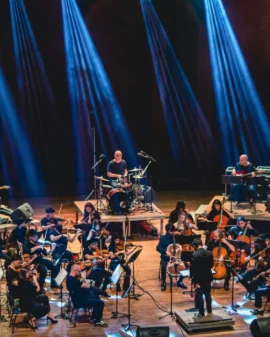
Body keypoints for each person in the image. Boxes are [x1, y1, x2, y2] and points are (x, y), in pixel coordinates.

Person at [156, 224, 187, 291]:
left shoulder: (176, 237)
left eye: (172, 231)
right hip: (166, 258)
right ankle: (163, 282)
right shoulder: (163, 238)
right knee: (163, 265)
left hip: (177, 257)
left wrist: (180, 235)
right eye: (170, 231)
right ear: (167, 231)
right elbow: (158, 248)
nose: (171, 233)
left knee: (186, 265)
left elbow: (182, 244)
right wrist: (165, 252)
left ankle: (180, 281)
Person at [190, 238, 214, 318]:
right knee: (208, 293)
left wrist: (191, 276)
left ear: (195, 246)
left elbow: (193, 268)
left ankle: (201, 313)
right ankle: (209, 310)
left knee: (199, 294)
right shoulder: (209, 253)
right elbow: (211, 265)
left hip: (198, 278)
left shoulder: (194, 255)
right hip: (207, 276)